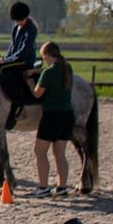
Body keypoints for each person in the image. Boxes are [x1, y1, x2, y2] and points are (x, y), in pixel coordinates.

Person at [31, 41, 75, 196]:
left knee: (40, 151)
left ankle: (43, 186)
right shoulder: (67, 68)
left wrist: (30, 80)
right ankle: (62, 187)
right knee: (60, 153)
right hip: (68, 114)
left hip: (52, 115)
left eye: (44, 56)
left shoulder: (48, 72)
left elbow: (37, 93)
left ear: (47, 55)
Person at [0, 2, 40, 130]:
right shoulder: (16, 28)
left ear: (25, 17)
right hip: (15, 58)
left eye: (20, 20)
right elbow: (12, 47)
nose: (18, 22)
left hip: (25, 60)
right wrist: (5, 58)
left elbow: (24, 50)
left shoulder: (31, 29)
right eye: (16, 20)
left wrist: (7, 61)